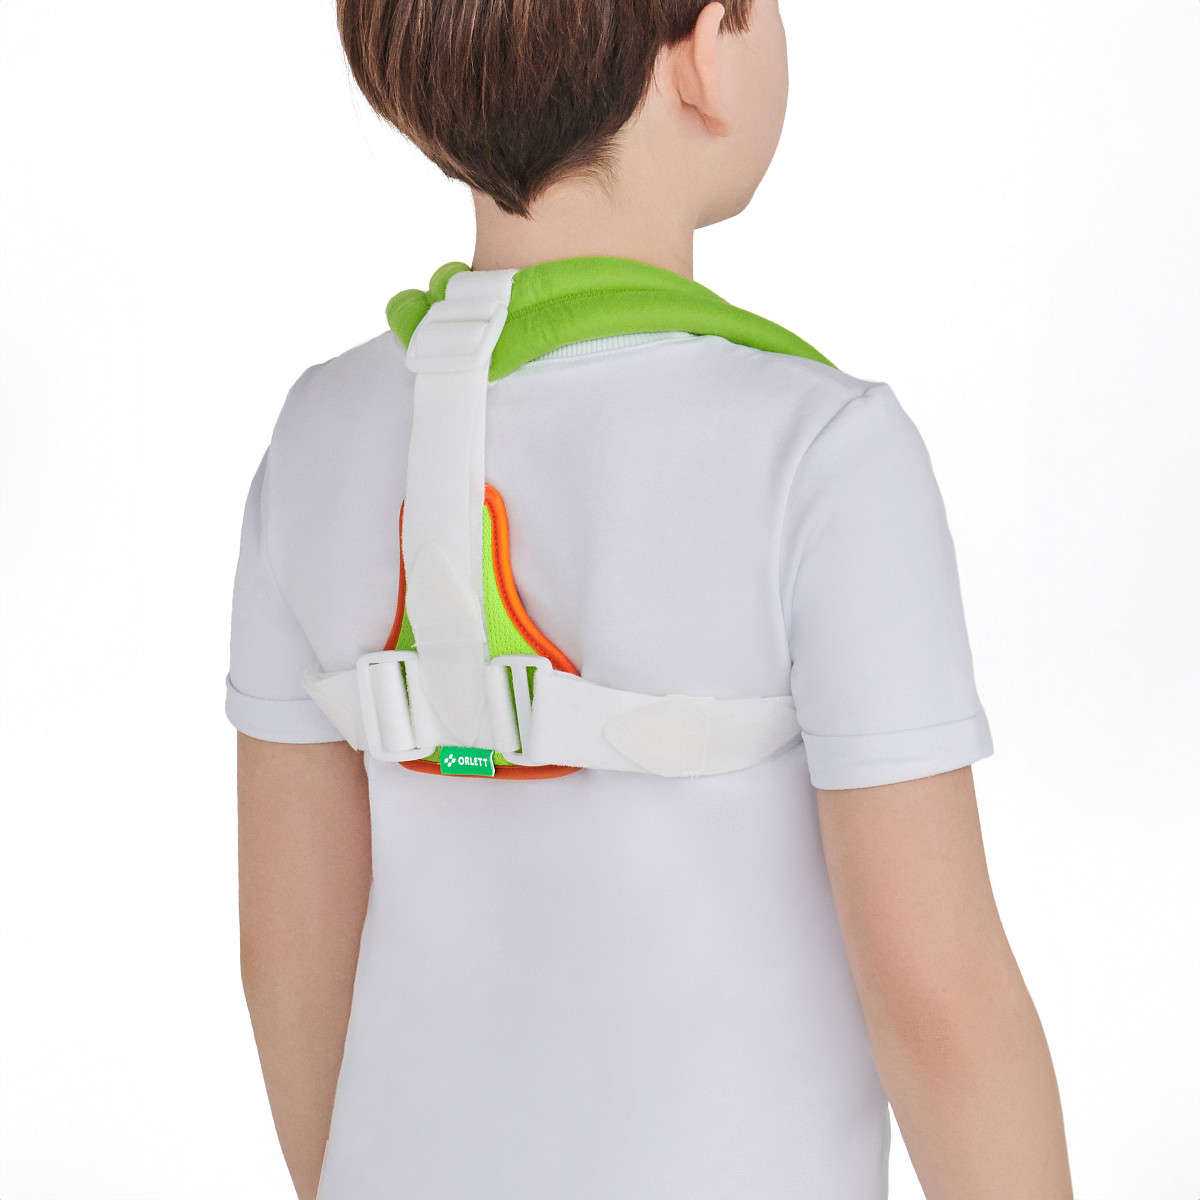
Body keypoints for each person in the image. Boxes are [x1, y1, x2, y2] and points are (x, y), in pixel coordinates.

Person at [226, 1, 1074, 1196]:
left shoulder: (316, 440)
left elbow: (290, 956)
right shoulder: (822, 453)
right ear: (706, 54)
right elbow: (941, 999)